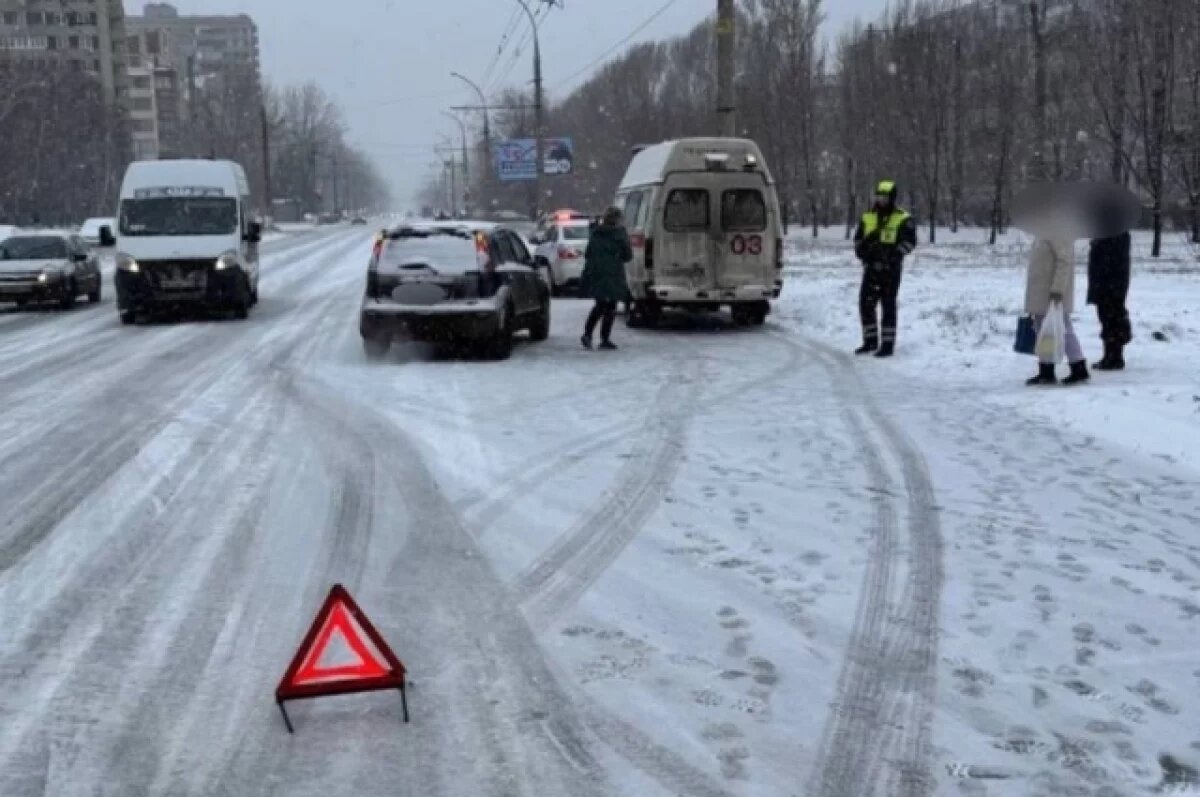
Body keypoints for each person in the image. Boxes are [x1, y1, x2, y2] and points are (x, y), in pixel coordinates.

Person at [853, 179, 918, 357]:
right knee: (866, 304)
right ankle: (870, 341)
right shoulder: (868, 216)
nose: (881, 200)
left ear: (892, 198)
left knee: (888, 305)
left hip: (891, 269)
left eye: (885, 197)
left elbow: (910, 242)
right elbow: (858, 239)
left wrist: (894, 256)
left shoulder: (903, 218)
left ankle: (887, 345)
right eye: (879, 196)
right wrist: (862, 252)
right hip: (871, 267)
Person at [1025, 235, 1089, 386]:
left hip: (1051, 293)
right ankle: (1047, 369)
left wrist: (1058, 289)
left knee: (1063, 329)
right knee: (1045, 332)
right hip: (1042, 293)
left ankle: (1077, 366)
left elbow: (1064, 262)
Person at [580, 206, 632, 351]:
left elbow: (588, 253)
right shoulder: (619, 234)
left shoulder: (596, 233)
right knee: (610, 307)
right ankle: (605, 339)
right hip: (614, 274)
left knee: (600, 305)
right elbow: (628, 256)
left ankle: (587, 334)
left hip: (598, 274)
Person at [1086, 229, 1132, 371]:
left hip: (1110, 283)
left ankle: (1114, 355)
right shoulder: (1107, 235)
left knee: (1111, 317)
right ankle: (1110, 354)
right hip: (1106, 282)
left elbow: (1109, 260)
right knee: (1106, 317)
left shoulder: (1115, 235)